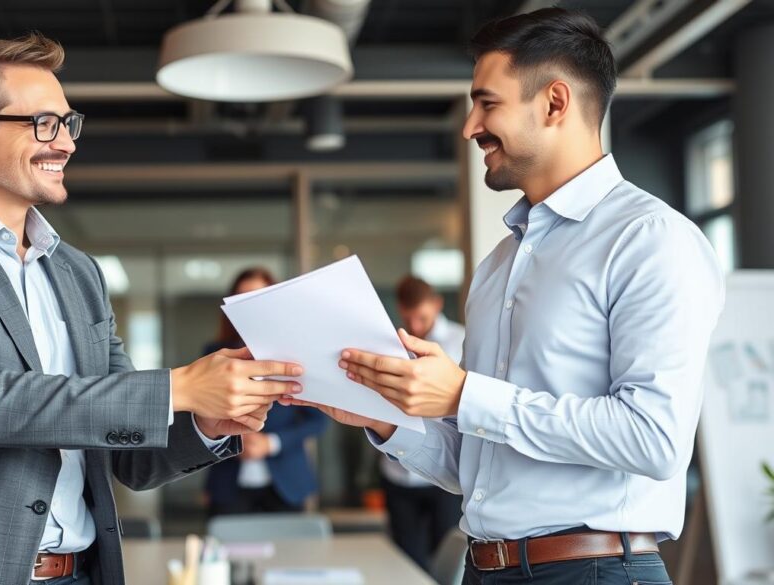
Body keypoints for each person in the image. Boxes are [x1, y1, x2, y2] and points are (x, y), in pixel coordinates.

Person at [0, 34, 303, 585]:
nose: (66, 143)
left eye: (67, 124)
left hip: (82, 573)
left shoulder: (77, 272)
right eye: (43, 124)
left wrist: (204, 421)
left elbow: (128, 455)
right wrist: (180, 387)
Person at [283, 8, 724, 584]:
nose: (469, 126)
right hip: (486, 568)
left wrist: (466, 393)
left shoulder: (649, 239)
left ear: (555, 103)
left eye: (486, 103)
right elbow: (478, 469)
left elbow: (654, 439)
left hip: (594, 573)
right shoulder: (498, 266)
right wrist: (385, 417)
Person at [203, 268, 328, 516]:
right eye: (241, 300)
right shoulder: (215, 354)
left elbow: (319, 421)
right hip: (228, 482)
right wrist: (234, 440)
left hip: (286, 482)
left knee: (291, 555)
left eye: (257, 299)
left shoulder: (296, 355)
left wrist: (271, 443)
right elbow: (200, 417)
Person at [380, 276, 464, 572]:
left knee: (448, 556)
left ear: (437, 305)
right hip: (398, 472)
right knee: (405, 558)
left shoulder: (461, 342)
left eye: (422, 317)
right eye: (408, 318)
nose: (415, 326)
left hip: (444, 474)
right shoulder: (389, 344)